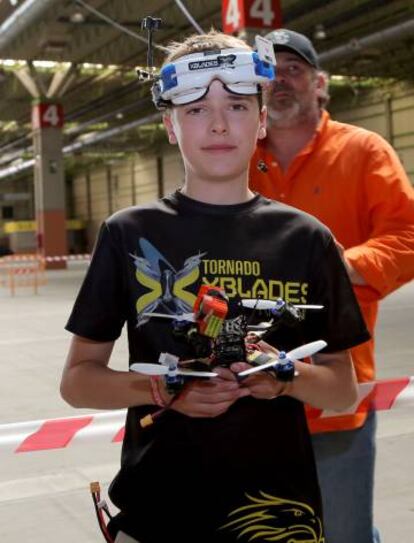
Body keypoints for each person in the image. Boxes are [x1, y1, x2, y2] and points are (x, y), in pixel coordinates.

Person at [61, 30, 370, 543]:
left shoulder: (308, 239)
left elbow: (343, 389)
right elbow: (78, 381)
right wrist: (165, 390)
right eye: (197, 109)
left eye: (237, 106)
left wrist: (286, 377)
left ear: (262, 120)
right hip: (158, 513)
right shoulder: (128, 233)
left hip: (276, 519)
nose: (220, 123)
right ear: (170, 125)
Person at [249, 28, 414, 543]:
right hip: (248, 391)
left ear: (320, 83)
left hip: (336, 391)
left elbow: (408, 236)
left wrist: (340, 265)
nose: (280, 80)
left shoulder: (363, 151)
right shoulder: (235, 158)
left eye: (293, 69)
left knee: (344, 533)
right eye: (269, 71)